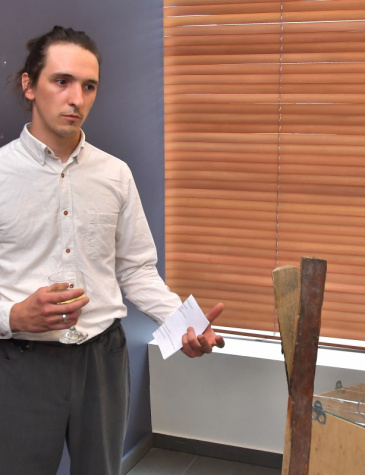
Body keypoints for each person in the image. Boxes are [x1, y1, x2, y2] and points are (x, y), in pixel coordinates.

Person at [0, 25, 225, 475]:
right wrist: (13, 316)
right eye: (61, 81)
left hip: (103, 361)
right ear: (29, 84)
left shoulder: (115, 174)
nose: (76, 99)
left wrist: (183, 324)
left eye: (89, 86)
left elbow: (137, 270)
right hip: (21, 363)